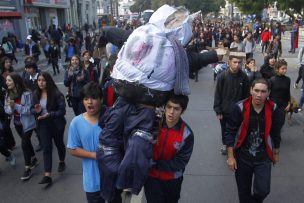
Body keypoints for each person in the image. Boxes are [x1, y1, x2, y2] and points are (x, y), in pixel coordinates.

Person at [225, 78, 282, 203]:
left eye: (263, 91)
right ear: (251, 90)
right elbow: (230, 131)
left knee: (263, 190)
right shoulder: (240, 107)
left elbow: (276, 132)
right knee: (243, 191)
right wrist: (230, 156)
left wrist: (276, 152)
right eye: (256, 90)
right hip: (243, 157)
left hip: (263, 158)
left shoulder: (274, 109)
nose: (259, 95)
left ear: (268, 93)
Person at [67, 81, 121, 203]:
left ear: (101, 99)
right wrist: (95, 155)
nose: (89, 102)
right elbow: (72, 149)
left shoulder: (111, 119)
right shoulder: (76, 123)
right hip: (92, 182)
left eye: (94, 98)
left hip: (113, 178)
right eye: (86, 99)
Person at [144, 94, 194, 203]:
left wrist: (155, 164)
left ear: (182, 111)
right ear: (164, 107)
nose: (171, 112)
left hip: (172, 181)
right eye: (169, 107)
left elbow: (181, 162)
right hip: (151, 178)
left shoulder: (187, 134)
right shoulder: (152, 125)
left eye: (176, 109)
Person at [33, 72, 67, 185]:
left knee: (59, 144)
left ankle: (62, 161)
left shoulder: (57, 94)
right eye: (39, 80)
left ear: (48, 81)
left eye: (43, 80)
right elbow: (31, 109)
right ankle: (47, 175)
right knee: (46, 148)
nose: (41, 83)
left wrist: (50, 114)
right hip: (43, 124)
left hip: (56, 124)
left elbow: (62, 111)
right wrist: (36, 111)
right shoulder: (36, 94)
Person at [213, 53, 250, 155]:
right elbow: (218, 94)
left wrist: (246, 109)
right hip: (225, 110)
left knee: (237, 129)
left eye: (239, 62)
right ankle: (226, 145)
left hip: (239, 111)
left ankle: (235, 145)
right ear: (229, 62)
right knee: (225, 129)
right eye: (234, 62)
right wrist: (218, 110)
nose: (237, 64)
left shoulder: (244, 77)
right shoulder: (222, 76)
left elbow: (247, 95)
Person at [4, 73, 38, 180]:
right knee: (27, 143)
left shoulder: (27, 93)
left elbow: (29, 110)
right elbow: (8, 111)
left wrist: (16, 106)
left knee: (24, 144)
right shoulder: (8, 94)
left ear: (16, 81)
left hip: (28, 123)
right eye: (6, 80)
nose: (7, 82)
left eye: (9, 80)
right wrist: (10, 107)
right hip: (17, 123)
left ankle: (27, 168)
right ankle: (33, 158)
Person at [269, 59, 291, 131]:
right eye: (283, 69)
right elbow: (267, 93)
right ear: (277, 69)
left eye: (286, 68)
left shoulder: (288, 79)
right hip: (273, 105)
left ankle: (276, 137)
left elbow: (288, 92)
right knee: (271, 123)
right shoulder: (272, 80)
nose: (285, 70)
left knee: (280, 123)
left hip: (283, 106)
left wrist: (289, 104)